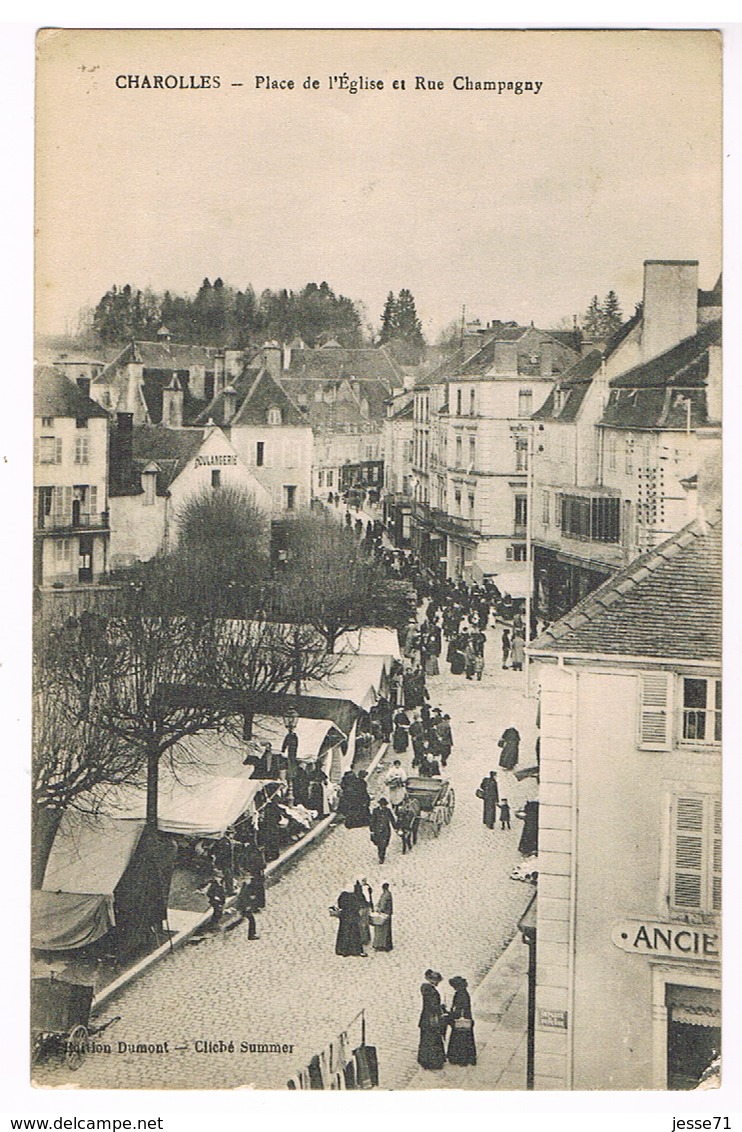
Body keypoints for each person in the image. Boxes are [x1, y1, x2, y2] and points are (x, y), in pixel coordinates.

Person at [417, 970, 447, 1070]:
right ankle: (433, 1061)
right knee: (433, 1040)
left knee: (425, 1039)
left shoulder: (425, 988)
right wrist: (441, 1009)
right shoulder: (432, 992)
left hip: (425, 1018)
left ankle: (424, 1058)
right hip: (432, 1019)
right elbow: (434, 1007)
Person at [446, 976, 476, 1066]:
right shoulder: (463, 993)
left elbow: (459, 1010)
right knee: (466, 1039)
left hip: (461, 1020)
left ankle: (459, 1058)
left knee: (460, 1039)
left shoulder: (460, 995)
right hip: (467, 1018)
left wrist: (450, 1015)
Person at [334, 887, 365, 957]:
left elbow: (340, 905)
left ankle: (343, 950)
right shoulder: (354, 896)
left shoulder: (343, 896)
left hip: (345, 917)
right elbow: (358, 906)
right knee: (354, 934)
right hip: (353, 918)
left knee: (344, 934)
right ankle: (354, 950)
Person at [369, 797, 397, 864]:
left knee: (385, 844)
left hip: (386, 830)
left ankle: (382, 854)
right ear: (380, 805)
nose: (384, 806)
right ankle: (381, 857)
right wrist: (371, 830)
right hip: (377, 830)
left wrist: (396, 828)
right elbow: (372, 820)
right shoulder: (375, 811)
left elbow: (392, 820)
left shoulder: (388, 811)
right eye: (382, 805)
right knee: (379, 844)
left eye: (385, 805)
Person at [372, 882, 393, 951]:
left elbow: (382, 905)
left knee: (381, 930)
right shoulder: (388, 894)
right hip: (388, 914)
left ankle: (380, 945)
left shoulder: (385, 895)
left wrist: (378, 909)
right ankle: (386, 945)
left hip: (384, 915)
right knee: (387, 930)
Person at [354, 879, 373, 954]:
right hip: (364, 907)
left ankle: (363, 938)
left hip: (362, 907)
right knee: (364, 923)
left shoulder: (362, 888)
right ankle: (365, 938)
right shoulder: (366, 887)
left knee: (362, 923)